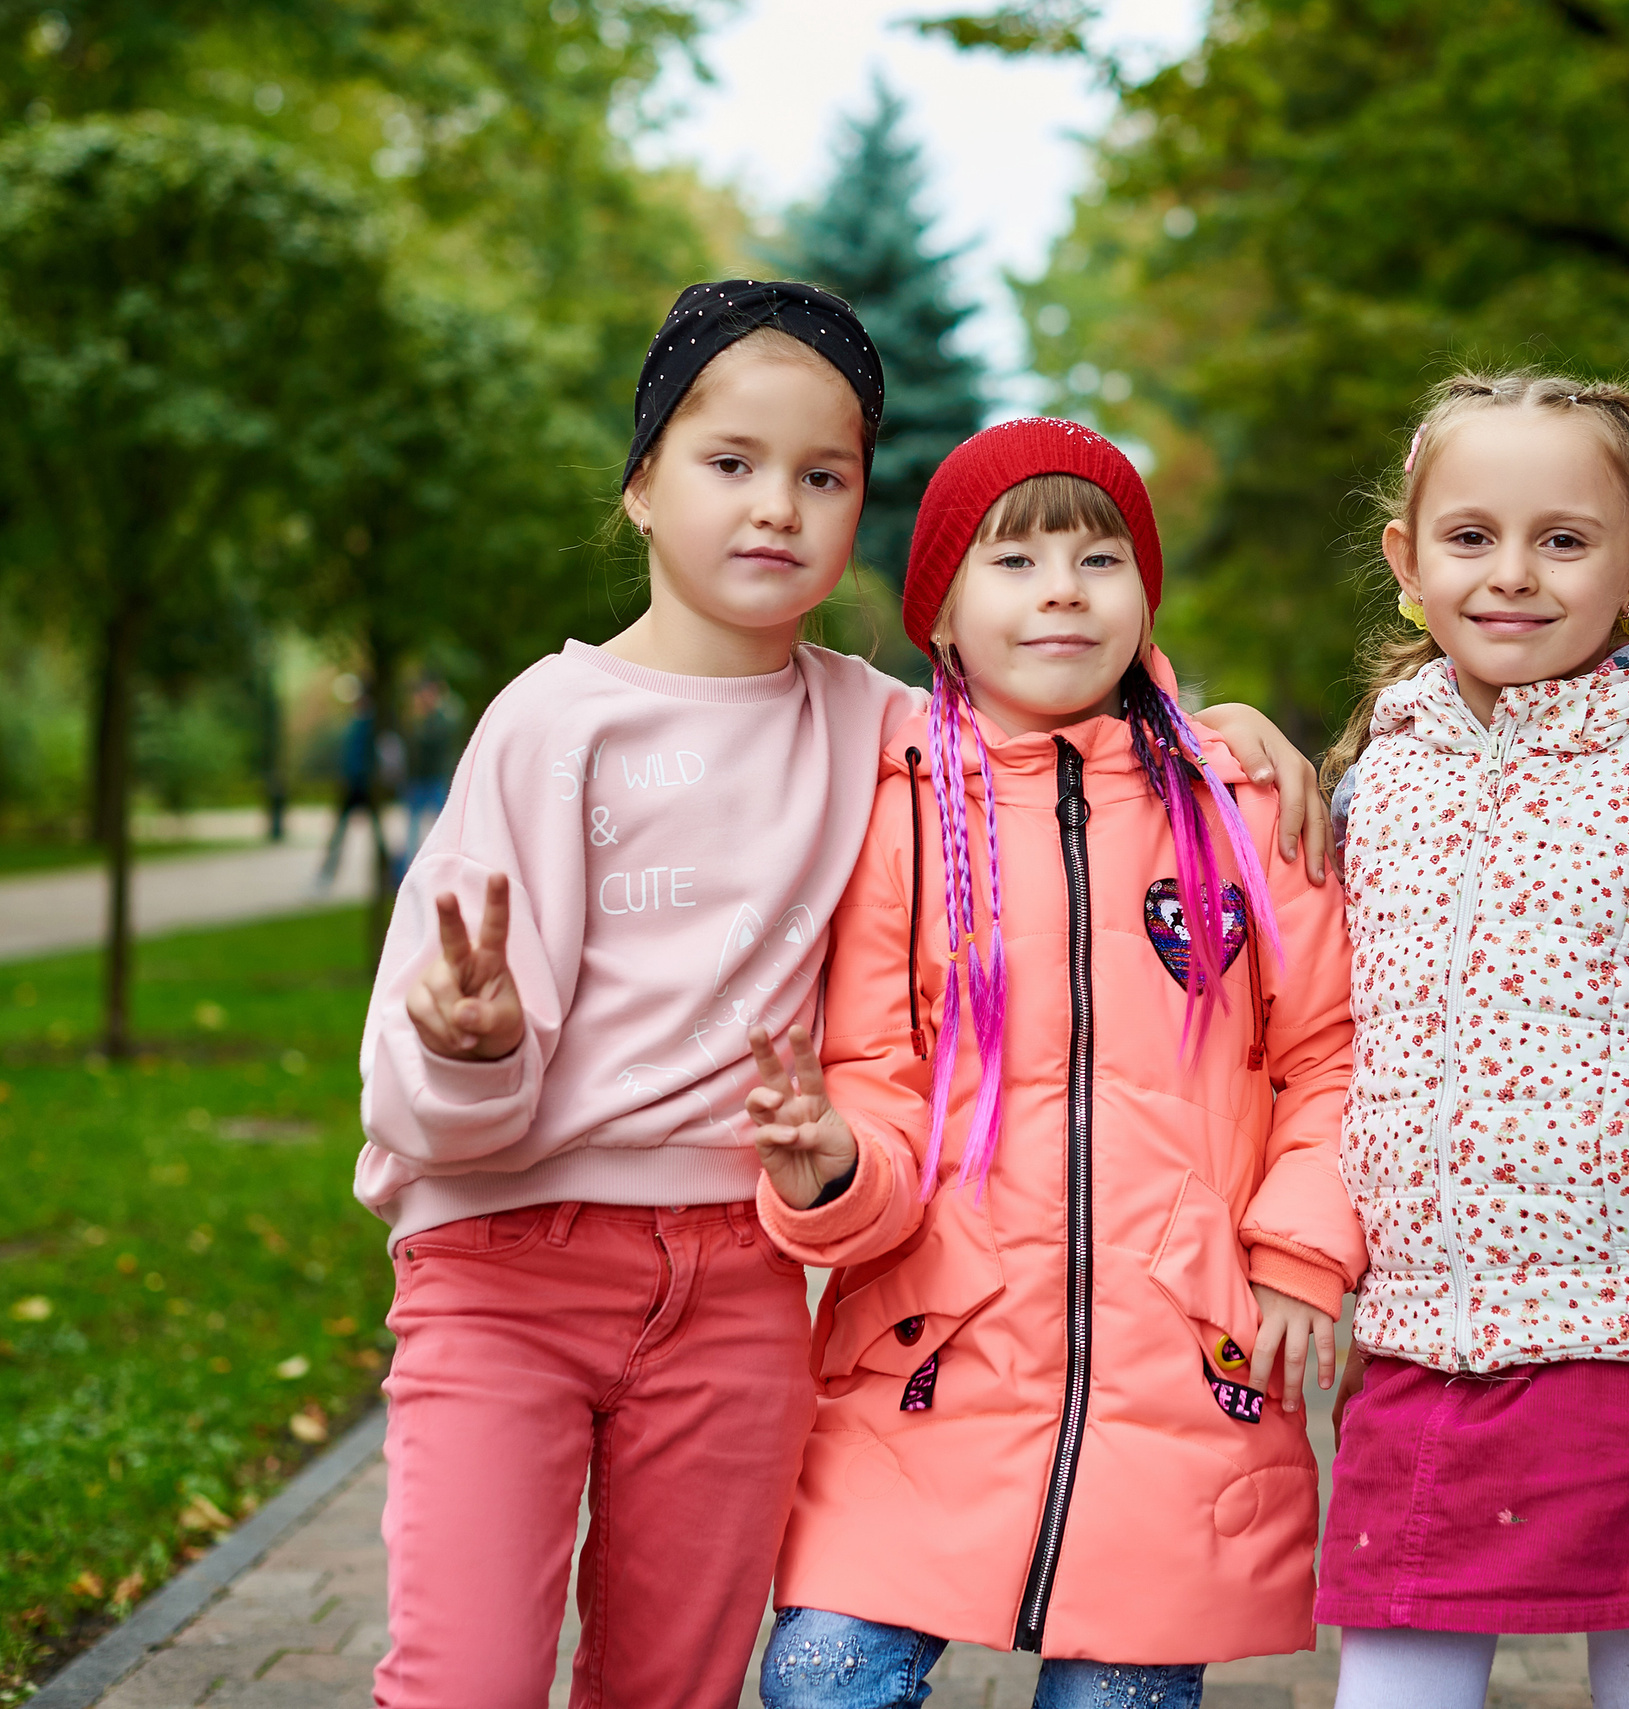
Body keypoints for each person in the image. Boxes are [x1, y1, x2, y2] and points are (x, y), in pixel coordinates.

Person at [354, 284, 1332, 1709]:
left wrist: (1210, 734)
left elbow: (1048, 723)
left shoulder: (882, 729)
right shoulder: (551, 721)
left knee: (670, 1685)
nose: (775, 507)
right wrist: (469, 1044)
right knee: (466, 1681)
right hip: (511, 1252)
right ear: (639, 486)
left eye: (823, 477)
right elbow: (419, 1092)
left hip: (736, 1278)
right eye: (729, 463)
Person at [741, 418, 1365, 1709]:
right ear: (945, 612)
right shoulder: (898, 807)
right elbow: (874, 1069)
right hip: (932, 1356)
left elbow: (1329, 1055)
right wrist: (833, 1165)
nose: (1065, 589)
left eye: (1100, 557)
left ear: (1145, 595)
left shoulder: (1242, 805)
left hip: (1181, 1366)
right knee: (823, 1673)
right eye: (1015, 561)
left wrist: (1298, 1250)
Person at [1316, 371, 1629, 1709]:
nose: (1512, 574)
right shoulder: (1377, 771)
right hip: (1420, 1337)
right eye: (1471, 536)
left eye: (1563, 539)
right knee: (1393, 1684)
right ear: (1407, 559)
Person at [395, 676, 461, 881]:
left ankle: (448, 862)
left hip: (433, 779)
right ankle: (407, 870)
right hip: (417, 780)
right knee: (412, 828)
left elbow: (437, 743)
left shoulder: (439, 719)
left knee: (443, 823)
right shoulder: (415, 720)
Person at [314, 693, 381, 891]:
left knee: (350, 833)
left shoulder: (368, 725)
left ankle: (386, 874)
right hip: (354, 784)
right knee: (340, 833)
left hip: (362, 784)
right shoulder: (358, 723)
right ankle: (327, 874)